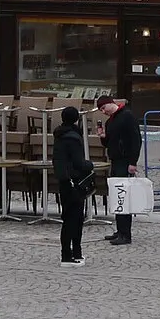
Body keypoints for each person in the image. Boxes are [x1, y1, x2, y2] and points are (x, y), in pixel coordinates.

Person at [52, 105, 94, 267]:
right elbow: (79, 163)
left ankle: (74, 253)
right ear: (76, 119)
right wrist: (89, 164)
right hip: (73, 182)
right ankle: (69, 255)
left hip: (65, 181)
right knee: (74, 219)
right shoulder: (73, 138)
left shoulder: (60, 135)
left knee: (71, 218)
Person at [101, 98, 142, 246]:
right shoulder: (110, 121)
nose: (103, 111)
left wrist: (133, 162)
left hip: (124, 161)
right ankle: (120, 230)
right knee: (117, 195)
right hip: (115, 160)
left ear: (111, 104)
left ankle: (126, 234)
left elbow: (136, 139)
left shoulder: (127, 116)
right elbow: (109, 142)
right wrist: (103, 137)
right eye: (101, 110)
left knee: (123, 196)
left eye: (104, 107)